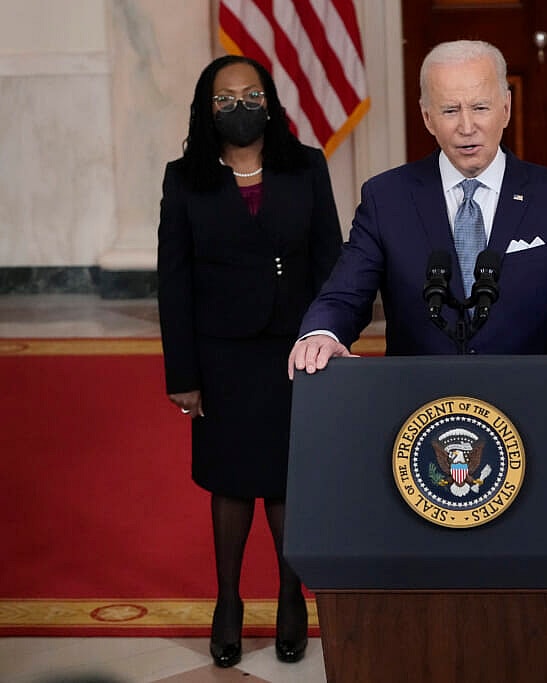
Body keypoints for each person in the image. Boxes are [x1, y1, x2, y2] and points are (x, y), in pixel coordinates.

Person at [288, 39, 547, 378]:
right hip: (418, 403)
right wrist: (323, 333)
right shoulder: (387, 197)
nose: (466, 126)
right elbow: (345, 293)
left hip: (523, 398)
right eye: (449, 110)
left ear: (505, 108)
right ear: (427, 117)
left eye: (480, 107)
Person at [157, 55, 342, 668]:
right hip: (222, 356)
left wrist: (331, 339)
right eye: (225, 98)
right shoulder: (184, 178)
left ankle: (292, 595)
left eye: (251, 94)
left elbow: (329, 262)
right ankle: (229, 600)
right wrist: (182, 375)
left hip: (296, 349)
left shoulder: (307, 166)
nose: (240, 106)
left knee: (288, 479)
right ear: (207, 110)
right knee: (233, 481)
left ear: (270, 100)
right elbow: (174, 282)